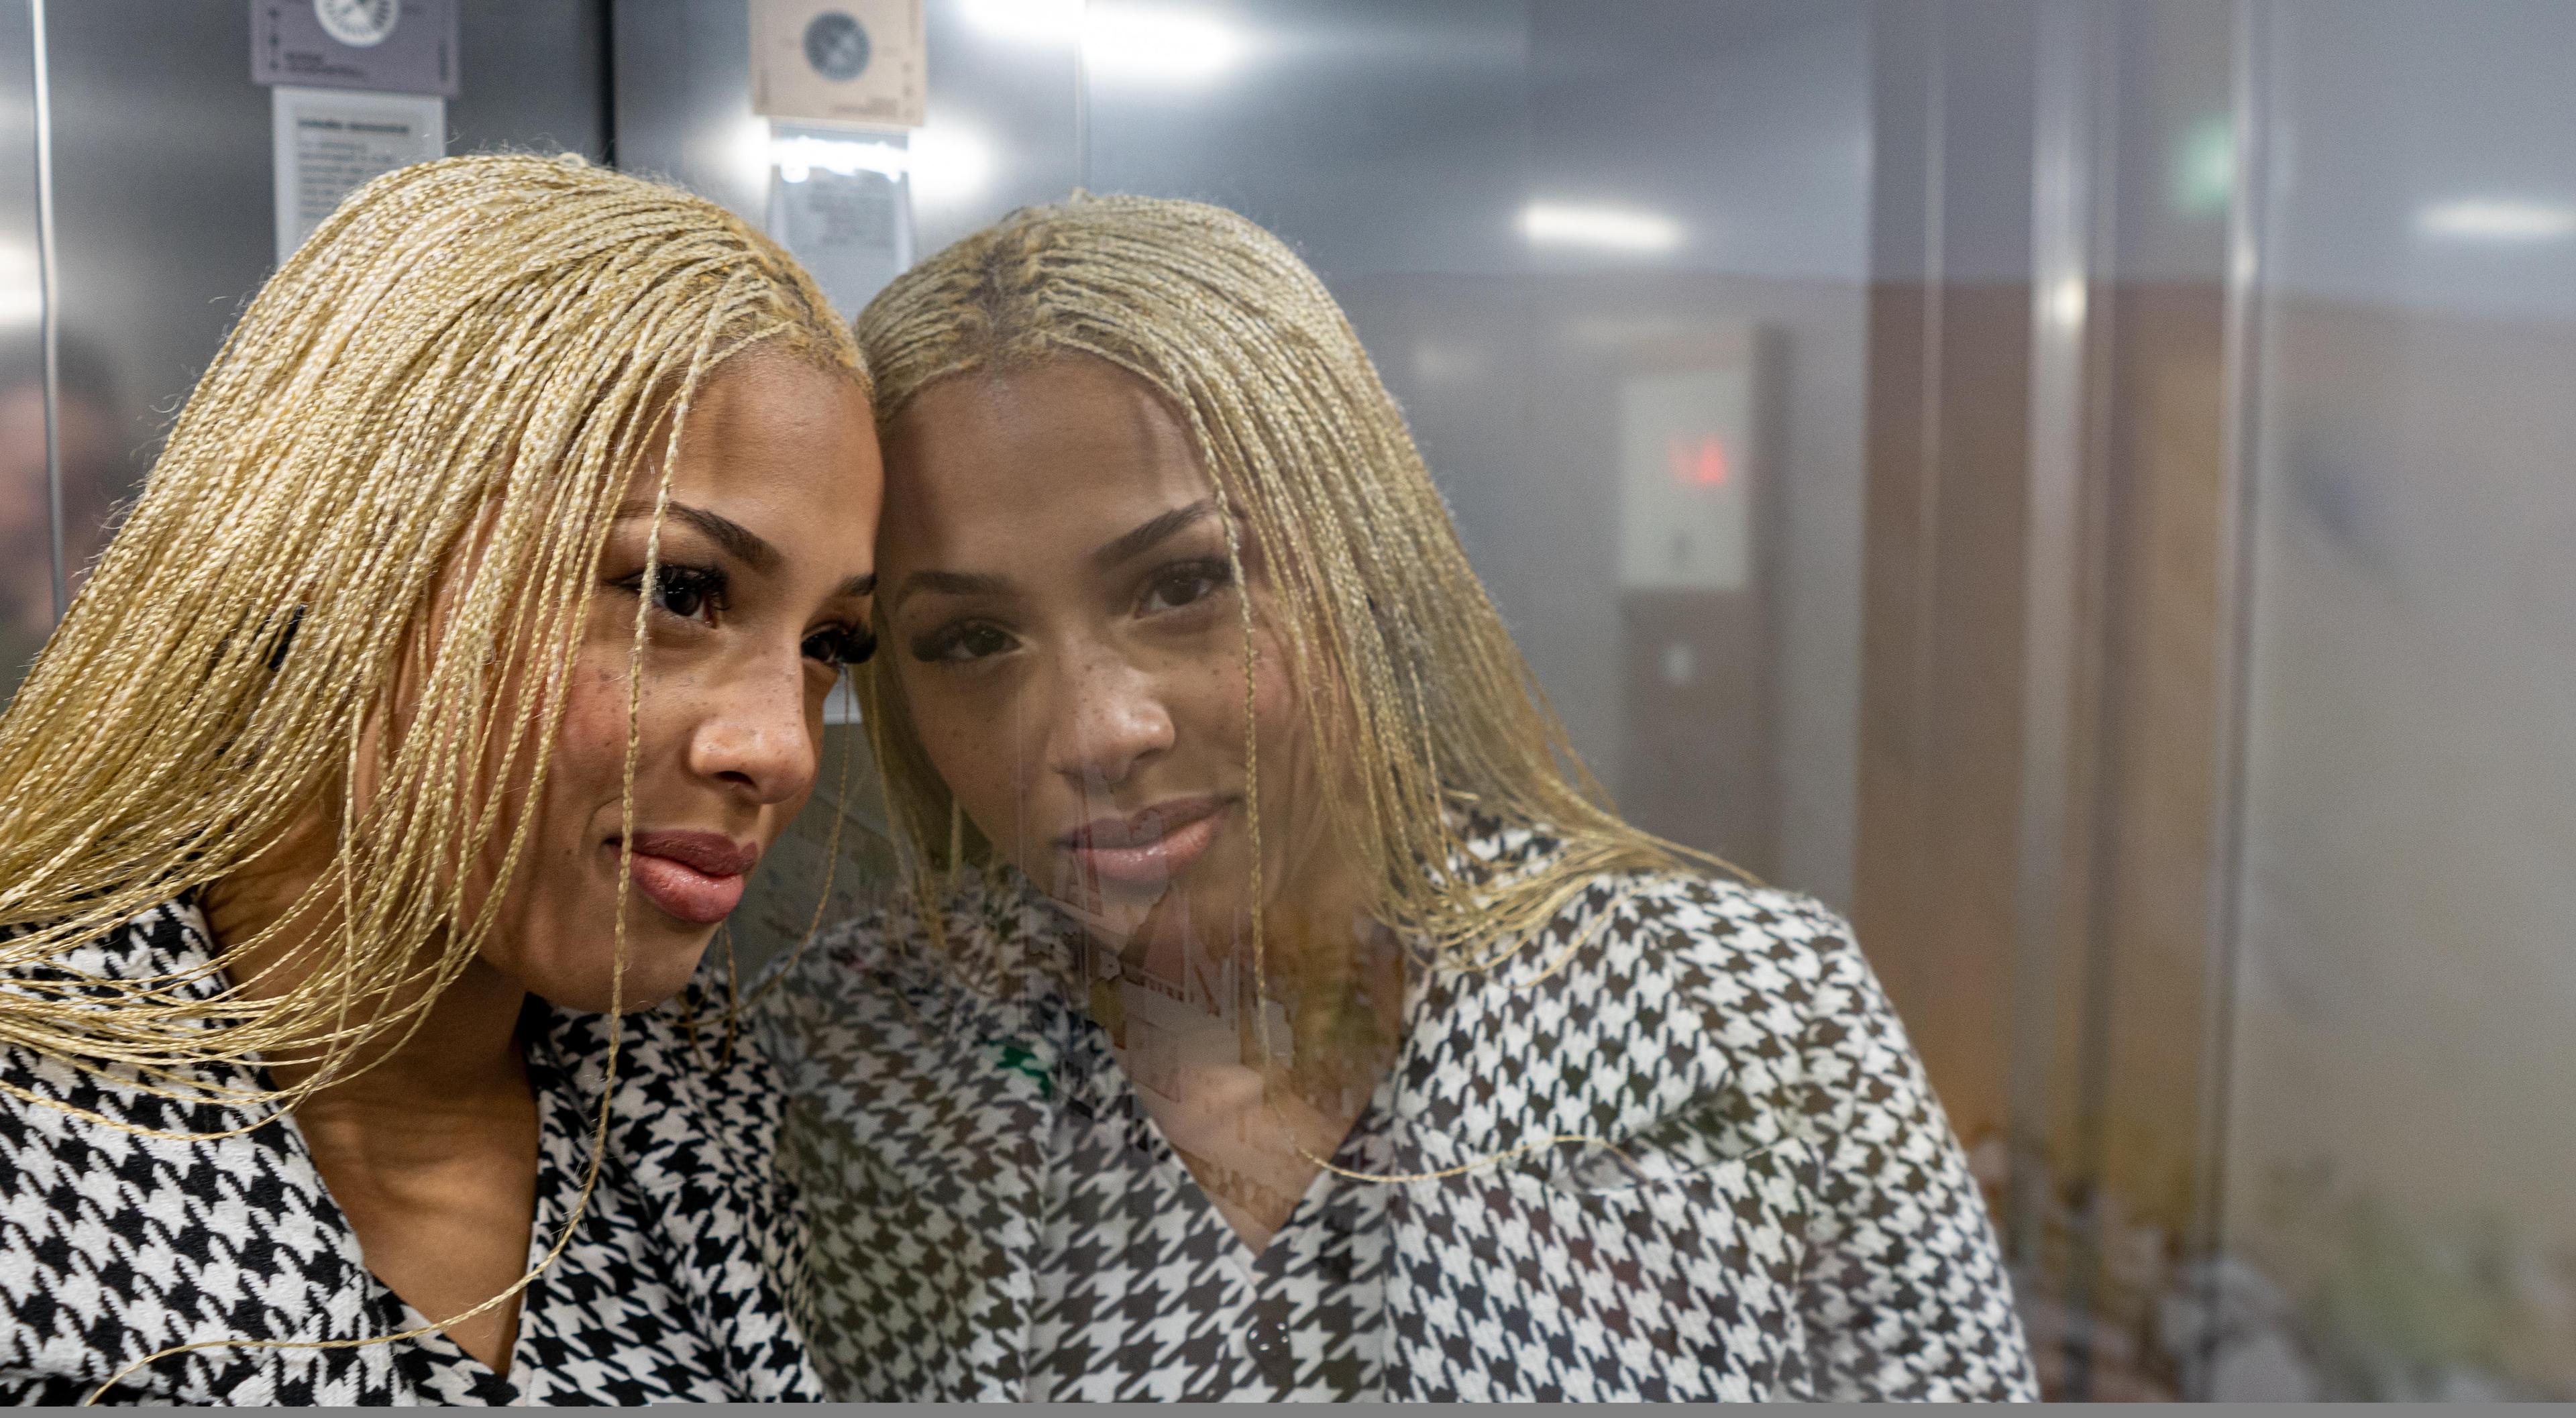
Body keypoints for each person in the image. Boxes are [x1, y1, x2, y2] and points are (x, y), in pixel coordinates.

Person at [755, 194, 2039, 1401]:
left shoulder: (1757, 1014)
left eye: (1185, 582)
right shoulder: (829, 1062)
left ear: (1365, 562)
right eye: (972, 641)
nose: (1097, 731)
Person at [0, 154, 881, 1404]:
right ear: (338, 545)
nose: (783, 745)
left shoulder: (705, 1105)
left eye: (829, 646)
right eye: (678, 592)